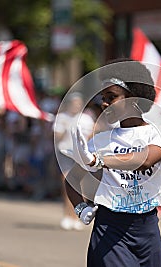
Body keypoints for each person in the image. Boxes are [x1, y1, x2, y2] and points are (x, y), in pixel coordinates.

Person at [62, 58, 161, 267]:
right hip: (110, 228)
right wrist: (80, 208)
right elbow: (72, 178)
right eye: (102, 98)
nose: (104, 103)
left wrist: (99, 160)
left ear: (133, 99)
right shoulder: (100, 140)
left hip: (148, 229)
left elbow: (144, 159)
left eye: (112, 97)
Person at [54, 92, 95, 230]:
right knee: (67, 183)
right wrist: (64, 129)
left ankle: (77, 216)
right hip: (65, 153)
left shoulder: (86, 119)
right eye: (74, 103)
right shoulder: (61, 118)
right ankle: (67, 215)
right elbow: (57, 138)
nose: (76, 106)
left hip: (81, 156)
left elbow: (91, 136)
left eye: (79, 103)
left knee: (80, 186)